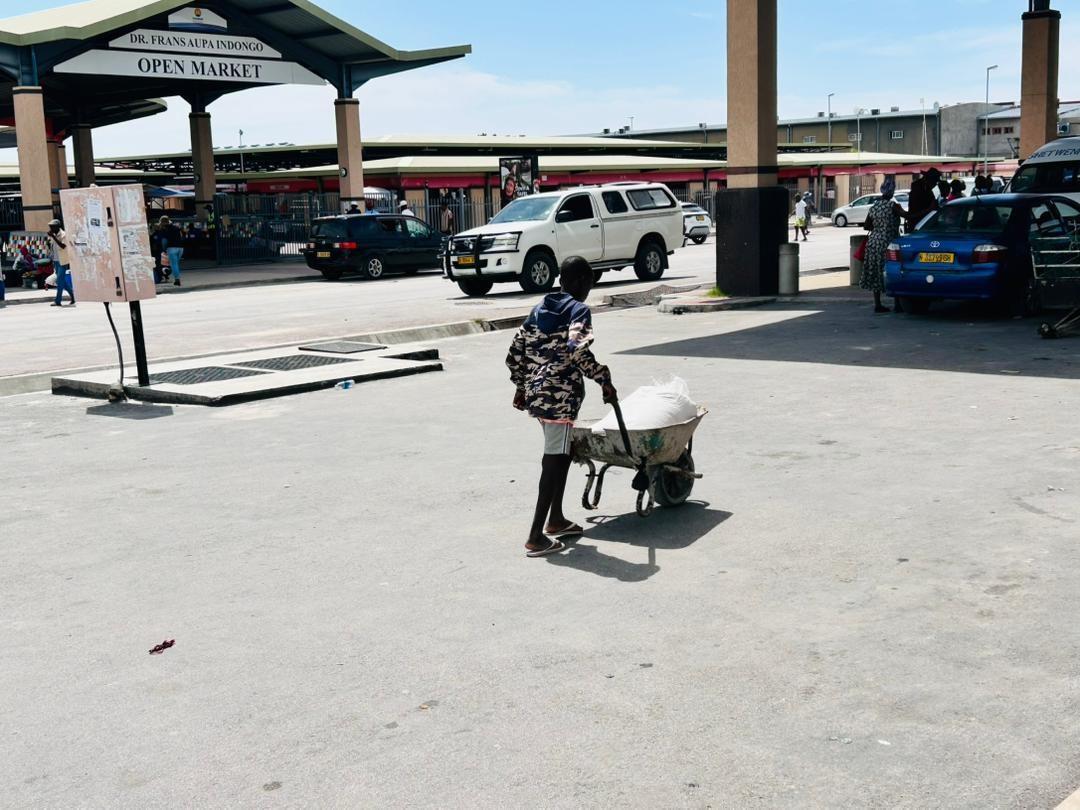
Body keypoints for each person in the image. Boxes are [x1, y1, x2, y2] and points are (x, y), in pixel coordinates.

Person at [506, 256, 617, 558]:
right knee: (553, 460)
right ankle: (535, 537)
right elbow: (577, 350)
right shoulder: (578, 309)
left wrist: (521, 386)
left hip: (537, 395)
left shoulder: (539, 309)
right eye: (589, 284)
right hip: (560, 398)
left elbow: (516, 350)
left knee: (563, 453)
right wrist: (604, 378)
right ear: (582, 282)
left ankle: (555, 520)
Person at [860, 177, 904, 314]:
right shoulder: (893, 206)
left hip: (874, 243)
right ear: (892, 191)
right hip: (889, 243)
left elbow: (866, 226)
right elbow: (908, 216)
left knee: (876, 272)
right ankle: (897, 304)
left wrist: (878, 225)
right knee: (893, 271)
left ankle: (878, 304)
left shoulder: (875, 206)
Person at [46, 219, 75, 307]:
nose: (50, 228)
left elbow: (63, 246)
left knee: (59, 280)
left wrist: (53, 237)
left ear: (57, 227)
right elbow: (52, 247)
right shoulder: (53, 235)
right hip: (56, 260)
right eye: (50, 227)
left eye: (52, 227)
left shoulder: (64, 235)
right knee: (61, 281)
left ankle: (57, 300)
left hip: (63, 261)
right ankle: (73, 296)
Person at [907, 167, 940, 232]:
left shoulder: (927, 189)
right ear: (929, 180)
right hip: (918, 224)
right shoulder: (918, 189)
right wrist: (929, 209)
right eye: (935, 182)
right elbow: (914, 211)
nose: (935, 185)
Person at [160, 216, 185, 287]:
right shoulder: (176, 227)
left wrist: (164, 249)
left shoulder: (165, 229)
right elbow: (182, 236)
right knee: (175, 264)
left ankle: (177, 280)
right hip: (180, 248)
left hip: (171, 248)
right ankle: (169, 271)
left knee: (174, 264)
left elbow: (164, 241)